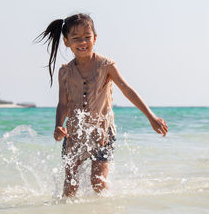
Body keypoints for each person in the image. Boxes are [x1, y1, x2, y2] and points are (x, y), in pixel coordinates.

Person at [36, 13, 168, 197]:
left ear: (95, 38)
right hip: (75, 133)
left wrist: (151, 117)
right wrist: (59, 125)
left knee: (98, 182)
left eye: (87, 37)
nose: (82, 42)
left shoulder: (106, 66)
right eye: (76, 38)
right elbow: (63, 104)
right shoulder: (65, 72)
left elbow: (128, 90)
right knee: (70, 187)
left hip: (102, 133)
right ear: (66, 42)